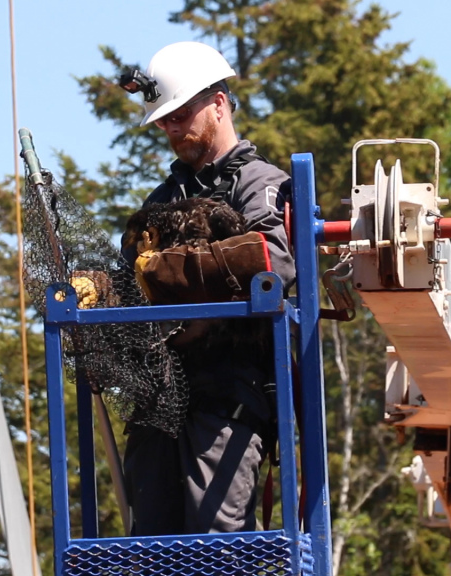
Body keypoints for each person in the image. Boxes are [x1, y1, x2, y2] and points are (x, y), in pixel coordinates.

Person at [118, 41, 296, 536]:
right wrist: (102, 293)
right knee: (152, 543)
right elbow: (130, 282)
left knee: (215, 541)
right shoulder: (160, 201)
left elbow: (273, 264)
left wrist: (170, 271)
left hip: (228, 389)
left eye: (180, 114)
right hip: (160, 393)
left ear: (218, 104)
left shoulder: (262, 185)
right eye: (164, 120)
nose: (171, 128)